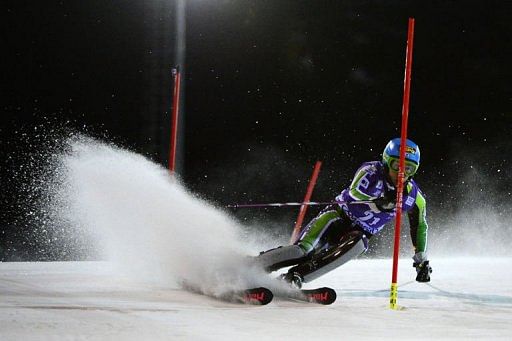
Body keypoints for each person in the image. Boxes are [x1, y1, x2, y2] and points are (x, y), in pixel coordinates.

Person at [256, 138, 432, 288]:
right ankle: (253, 266)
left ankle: (293, 279)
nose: (402, 172)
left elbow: (420, 225)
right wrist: (380, 202)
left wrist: (421, 260)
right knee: (303, 252)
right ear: (386, 161)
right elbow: (355, 192)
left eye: (409, 168)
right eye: (397, 165)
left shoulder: (414, 197)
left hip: (359, 233)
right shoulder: (371, 171)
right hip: (338, 216)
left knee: (359, 244)